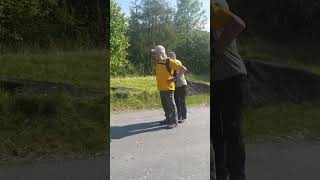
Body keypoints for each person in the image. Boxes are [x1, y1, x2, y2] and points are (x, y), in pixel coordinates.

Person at [212, 0, 248, 180]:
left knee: (231, 132)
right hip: (216, 80)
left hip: (231, 76)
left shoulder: (211, 6)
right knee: (215, 134)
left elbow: (238, 24)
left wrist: (214, 50)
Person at [151, 45, 187, 129]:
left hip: (168, 88)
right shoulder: (158, 62)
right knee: (165, 106)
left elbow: (183, 69)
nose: (153, 55)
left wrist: (174, 78)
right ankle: (168, 119)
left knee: (171, 105)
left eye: (155, 53)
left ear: (160, 53)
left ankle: (174, 122)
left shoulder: (169, 61)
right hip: (161, 88)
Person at [168, 52, 188, 123]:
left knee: (182, 101)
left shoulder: (177, 62)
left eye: (172, 56)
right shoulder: (171, 63)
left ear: (175, 56)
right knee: (176, 101)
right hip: (175, 86)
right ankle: (179, 116)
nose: (171, 57)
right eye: (170, 56)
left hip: (181, 85)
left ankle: (184, 116)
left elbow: (179, 70)